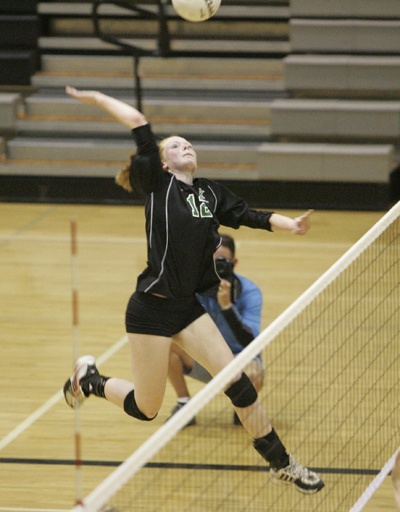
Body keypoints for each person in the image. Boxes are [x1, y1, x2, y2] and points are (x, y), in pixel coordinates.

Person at [62, 85, 324, 494]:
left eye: (188, 143)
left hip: (187, 308)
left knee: (237, 382)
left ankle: (282, 463)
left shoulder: (209, 192)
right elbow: (137, 122)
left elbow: (249, 215)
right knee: (147, 409)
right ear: (163, 163)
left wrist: (289, 224)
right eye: (175, 145)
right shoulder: (156, 184)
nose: (184, 145)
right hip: (150, 309)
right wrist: (96, 98)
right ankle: (90, 380)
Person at [167, 233, 264, 426]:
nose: (216, 267)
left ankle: (243, 405)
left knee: (255, 372)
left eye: (222, 261)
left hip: (240, 361)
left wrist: (227, 307)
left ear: (233, 262)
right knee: (165, 343)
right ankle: (184, 403)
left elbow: (249, 341)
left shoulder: (250, 292)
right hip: (207, 357)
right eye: (211, 261)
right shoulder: (193, 288)